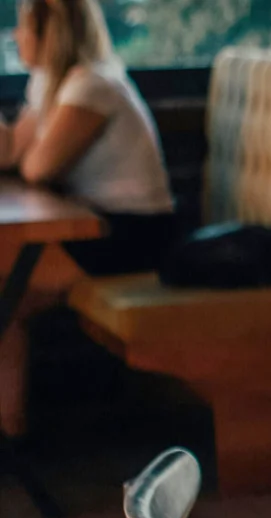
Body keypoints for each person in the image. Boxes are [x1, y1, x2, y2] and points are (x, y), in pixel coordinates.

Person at [0, 0, 173, 438]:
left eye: (23, 27)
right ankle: (12, 435)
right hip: (101, 226)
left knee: (5, 292)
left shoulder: (90, 87)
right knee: (8, 299)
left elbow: (38, 166)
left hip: (135, 234)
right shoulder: (51, 84)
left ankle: (12, 441)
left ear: (49, 33)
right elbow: (10, 154)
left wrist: (24, 142)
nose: (15, 37)